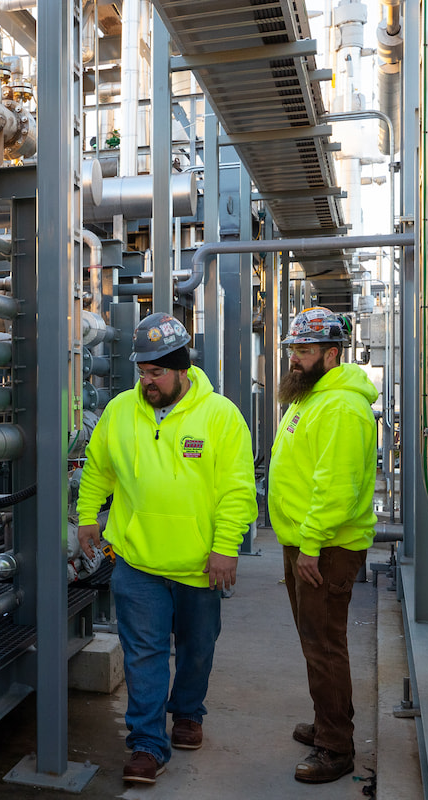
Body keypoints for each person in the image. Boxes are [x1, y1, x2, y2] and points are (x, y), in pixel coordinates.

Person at [77, 312, 257, 785]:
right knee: (144, 654)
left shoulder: (220, 415)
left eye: (157, 371)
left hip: (200, 565)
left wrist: (225, 548)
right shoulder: (119, 411)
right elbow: (98, 468)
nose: (148, 381)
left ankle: (188, 712)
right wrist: (86, 517)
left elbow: (237, 490)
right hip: (137, 561)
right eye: (142, 371)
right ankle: (146, 745)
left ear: (181, 368)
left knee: (197, 649)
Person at [268, 306, 377, 783]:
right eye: (293, 349)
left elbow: (336, 489)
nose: (295, 359)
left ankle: (336, 747)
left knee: (325, 645)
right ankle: (329, 722)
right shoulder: (311, 398)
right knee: (316, 642)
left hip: (326, 548)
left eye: (305, 351)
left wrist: (309, 544)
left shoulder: (341, 407)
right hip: (306, 544)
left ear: (332, 354)